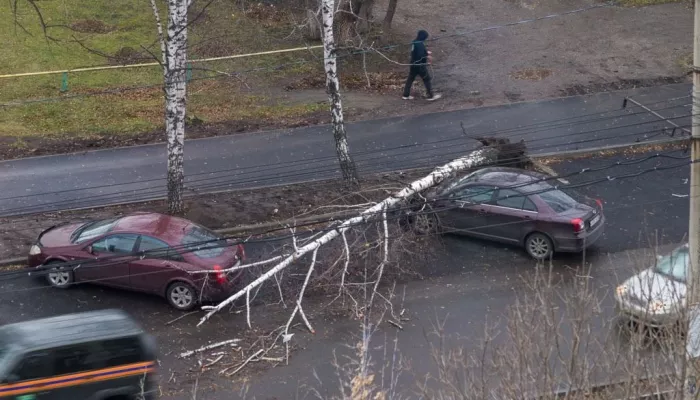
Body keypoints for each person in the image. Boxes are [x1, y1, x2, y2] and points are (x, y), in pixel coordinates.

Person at [402, 30, 441, 101]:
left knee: (410, 79)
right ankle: (430, 96)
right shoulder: (420, 44)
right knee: (426, 79)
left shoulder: (415, 42)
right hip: (420, 65)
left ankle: (405, 95)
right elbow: (420, 55)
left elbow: (417, 52)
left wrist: (426, 52)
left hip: (413, 64)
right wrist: (427, 56)